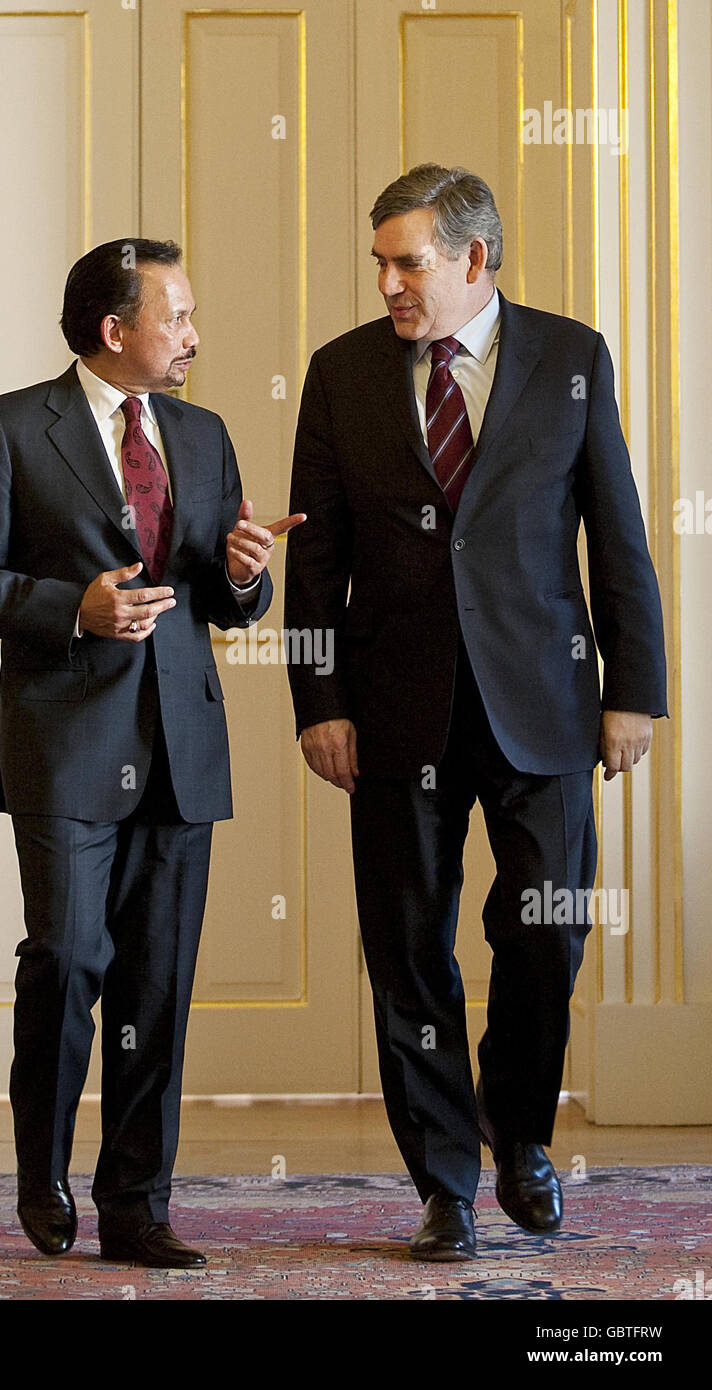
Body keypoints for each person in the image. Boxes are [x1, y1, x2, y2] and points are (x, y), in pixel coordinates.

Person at [284, 165, 666, 1261]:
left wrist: (633, 690)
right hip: (394, 711)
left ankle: (522, 1136)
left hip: (546, 703)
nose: (390, 283)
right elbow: (315, 566)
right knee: (408, 949)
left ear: (472, 259)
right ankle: (445, 1180)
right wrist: (320, 698)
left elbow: (617, 535)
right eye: (381, 264)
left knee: (545, 932)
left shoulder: (572, 358)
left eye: (408, 262)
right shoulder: (341, 372)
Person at [0, 238, 302, 1267]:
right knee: (70, 956)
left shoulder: (205, 433)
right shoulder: (8, 429)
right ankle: (42, 1170)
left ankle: (138, 1207)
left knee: (157, 983)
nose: (192, 335)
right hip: (64, 745)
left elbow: (223, 602)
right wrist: (72, 607)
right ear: (114, 330)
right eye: (175, 315)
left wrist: (247, 574)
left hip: (182, 747)